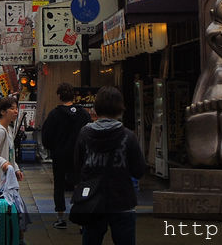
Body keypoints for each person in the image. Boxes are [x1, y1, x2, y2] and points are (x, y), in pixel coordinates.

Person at [73, 86, 146, 245]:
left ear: (96, 108)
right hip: (122, 200)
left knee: (91, 240)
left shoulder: (85, 134)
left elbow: (77, 167)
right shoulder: (128, 136)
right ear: (120, 108)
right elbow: (139, 170)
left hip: (91, 201)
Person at [41, 82, 90, 229]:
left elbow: (46, 137)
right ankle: (82, 220)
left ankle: (60, 218)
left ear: (59, 96)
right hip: (80, 155)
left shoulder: (54, 115)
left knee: (59, 185)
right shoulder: (84, 114)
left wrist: (53, 148)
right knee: (80, 185)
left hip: (60, 155)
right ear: (74, 96)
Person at [0, 96, 23, 194]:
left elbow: (10, 153)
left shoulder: (8, 129)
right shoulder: (0, 131)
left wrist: (15, 168)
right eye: (12, 108)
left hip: (5, 179)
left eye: (16, 108)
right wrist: (3, 163)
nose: (16, 111)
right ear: (2, 112)